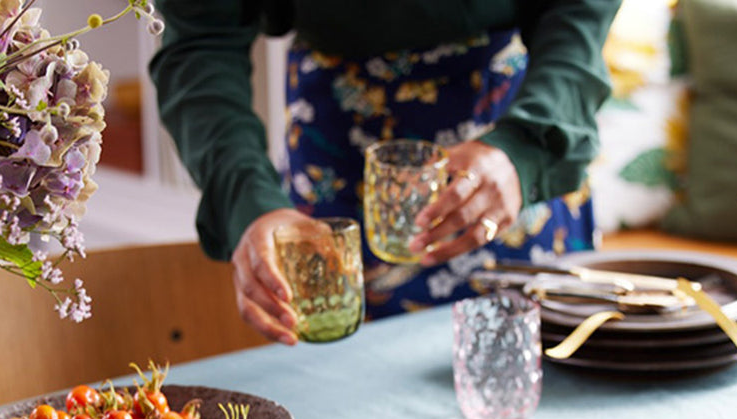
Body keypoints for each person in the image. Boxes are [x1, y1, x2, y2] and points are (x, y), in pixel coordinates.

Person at [150, 1, 622, 345]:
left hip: (510, 133)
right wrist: (248, 203)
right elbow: (199, 41)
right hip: (336, 139)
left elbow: (579, 9)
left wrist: (527, 146)